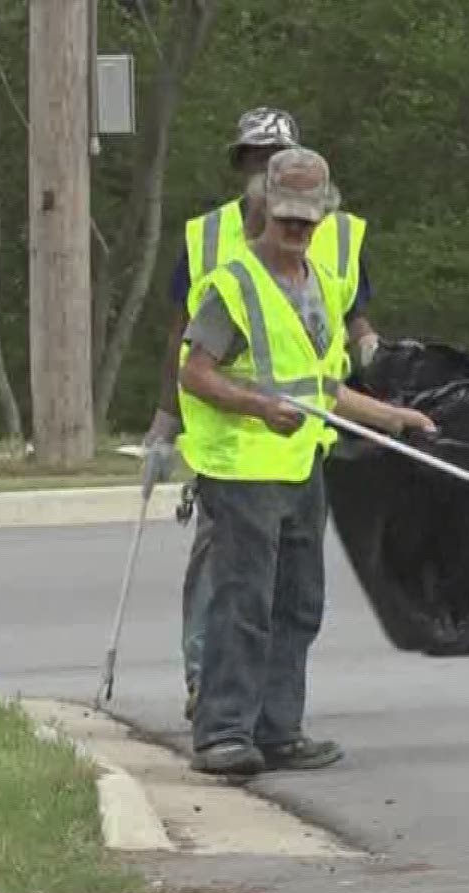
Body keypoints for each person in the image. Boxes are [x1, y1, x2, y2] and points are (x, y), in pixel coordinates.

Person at [173, 147, 434, 777]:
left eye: (306, 220)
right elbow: (195, 372)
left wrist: (395, 419)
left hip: (301, 467)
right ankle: (223, 732)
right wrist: (258, 407)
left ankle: (277, 728)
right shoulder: (233, 285)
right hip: (241, 471)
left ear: (323, 217)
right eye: (284, 216)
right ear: (264, 207)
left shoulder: (317, 283)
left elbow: (322, 386)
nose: (295, 230)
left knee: (298, 603)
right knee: (243, 602)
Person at [141, 106, 383, 716]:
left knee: (296, 597)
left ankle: (274, 722)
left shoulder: (337, 235)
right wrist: (164, 427)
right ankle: (215, 701)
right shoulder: (211, 240)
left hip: (304, 451)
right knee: (232, 588)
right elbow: (185, 347)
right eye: (252, 158)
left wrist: (384, 391)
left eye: (271, 157)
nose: (261, 169)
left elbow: (345, 332)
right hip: (236, 453)